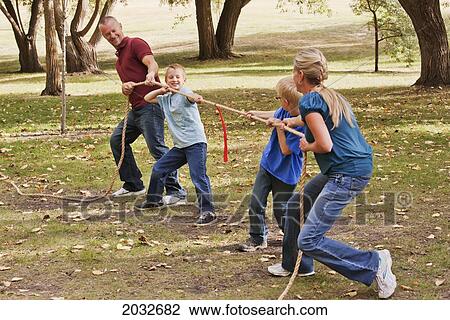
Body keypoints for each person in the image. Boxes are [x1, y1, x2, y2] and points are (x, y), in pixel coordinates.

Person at [269, 48, 397, 299]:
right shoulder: (329, 95)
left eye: (294, 70)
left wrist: (307, 145)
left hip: (346, 172)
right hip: (350, 167)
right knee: (296, 206)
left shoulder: (308, 101)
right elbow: (312, 120)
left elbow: (325, 144)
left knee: (310, 240)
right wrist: (284, 122)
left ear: (299, 75)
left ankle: (374, 264)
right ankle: (297, 266)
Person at [99, 16, 185, 203]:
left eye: (114, 31)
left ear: (121, 27)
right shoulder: (118, 60)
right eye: (107, 34)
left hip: (151, 106)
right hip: (136, 109)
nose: (112, 36)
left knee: (156, 147)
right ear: (104, 37)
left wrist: (151, 73)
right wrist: (125, 88)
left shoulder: (135, 44)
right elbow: (127, 86)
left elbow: (151, 62)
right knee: (117, 140)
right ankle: (133, 185)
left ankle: (176, 191)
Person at [134, 64, 216, 225]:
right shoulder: (165, 99)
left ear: (184, 79)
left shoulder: (185, 92)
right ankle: (154, 200)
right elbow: (147, 98)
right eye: (170, 77)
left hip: (195, 143)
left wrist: (196, 97)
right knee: (159, 169)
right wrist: (161, 90)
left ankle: (208, 211)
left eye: (178, 76)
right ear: (165, 81)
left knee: (198, 177)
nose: (174, 79)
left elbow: (192, 96)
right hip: (180, 146)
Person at [238, 77, 305, 252]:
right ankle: (258, 237)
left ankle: (294, 239)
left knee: (280, 210)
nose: (277, 100)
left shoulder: (301, 124)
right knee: (255, 202)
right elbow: (274, 114)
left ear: (286, 101)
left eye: (278, 98)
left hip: (286, 174)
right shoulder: (284, 110)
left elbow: (285, 150)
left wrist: (279, 128)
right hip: (268, 165)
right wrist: (256, 113)